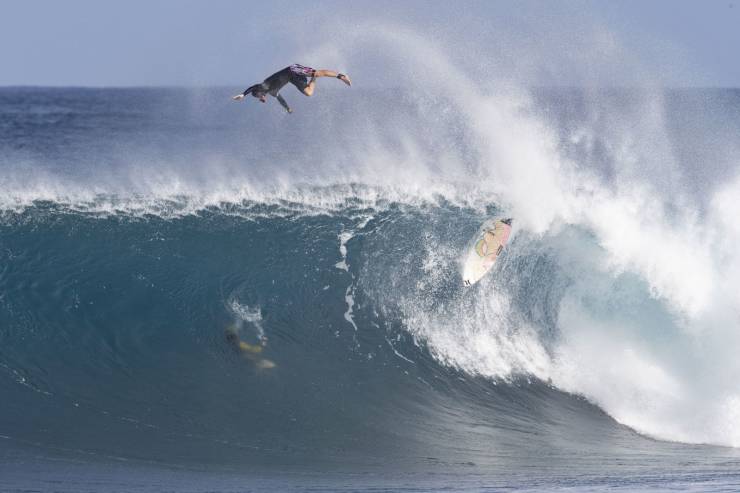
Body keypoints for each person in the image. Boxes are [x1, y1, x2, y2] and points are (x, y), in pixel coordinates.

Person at [233, 63, 351, 113]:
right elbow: (281, 100)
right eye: (259, 97)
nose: (261, 98)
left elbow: (253, 87)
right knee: (309, 93)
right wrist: (288, 108)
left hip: (293, 69)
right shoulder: (273, 92)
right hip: (292, 79)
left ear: (260, 91)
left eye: (259, 95)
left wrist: (243, 94)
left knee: (318, 73)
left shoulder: (264, 85)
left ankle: (341, 76)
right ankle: (314, 79)